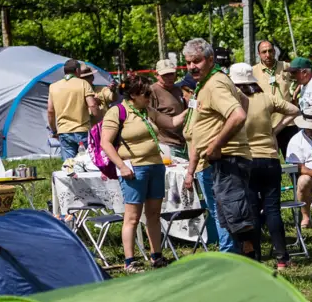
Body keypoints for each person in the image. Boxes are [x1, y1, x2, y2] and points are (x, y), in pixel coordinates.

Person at [180, 38, 255, 256]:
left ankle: (233, 264)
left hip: (225, 159)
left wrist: (217, 143)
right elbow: (245, 102)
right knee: (227, 216)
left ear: (210, 59)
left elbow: (238, 114)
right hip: (217, 160)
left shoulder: (215, 83)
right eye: (188, 62)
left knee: (231, 218)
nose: (192, 66)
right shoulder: (208, 83)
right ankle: (237, 264)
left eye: (197, 61)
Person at [97, 74, 178, 273]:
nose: (150, 97)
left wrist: (193, 108)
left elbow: (172, 123)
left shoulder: (147, 111)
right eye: (146, 94)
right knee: (132, 217)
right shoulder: (117, 112)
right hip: (134, 170)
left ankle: (156, 256)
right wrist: (122, 167)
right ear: (133, 95)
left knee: (153, 214)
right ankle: (130, 261)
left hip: (156, 166)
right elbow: (105, 143)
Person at [229, 62, 300, 269]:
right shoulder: (266, 98)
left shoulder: (234, 103)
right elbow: (294, 109)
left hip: (246, 160)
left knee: (251, 211)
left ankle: (256, 259)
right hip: (270, 158)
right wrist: (276, 129)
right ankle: (282, 258)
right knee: (272, 210)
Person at [47, 59, 100, 158]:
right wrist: (98, 123)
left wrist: (54, 131)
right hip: (82, 130)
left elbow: (50, 111)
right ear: (77, 70)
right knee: (87, 163)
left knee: (70, 166)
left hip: (64, 131)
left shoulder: (53, 87)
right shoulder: (83, 84)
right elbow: (92, 105)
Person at [255, 40, 296, 155]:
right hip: (266, 124)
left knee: (293, 161)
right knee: (270, 160)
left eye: (270, 51)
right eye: (264, 52)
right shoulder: (253, 72)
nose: (268, 54)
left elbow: (300, 82)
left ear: (274, 51)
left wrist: (296, 95)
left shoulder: (286, 67)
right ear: (259, 54)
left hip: (288, 122)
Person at [149, 59, 189, 159]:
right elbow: (149, 118)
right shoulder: (152, 91)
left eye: (171, 74)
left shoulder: (178, 89)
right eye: (165, 75)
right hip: (166, 145)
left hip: (183, 143)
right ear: (156, 75)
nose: (169, 77)